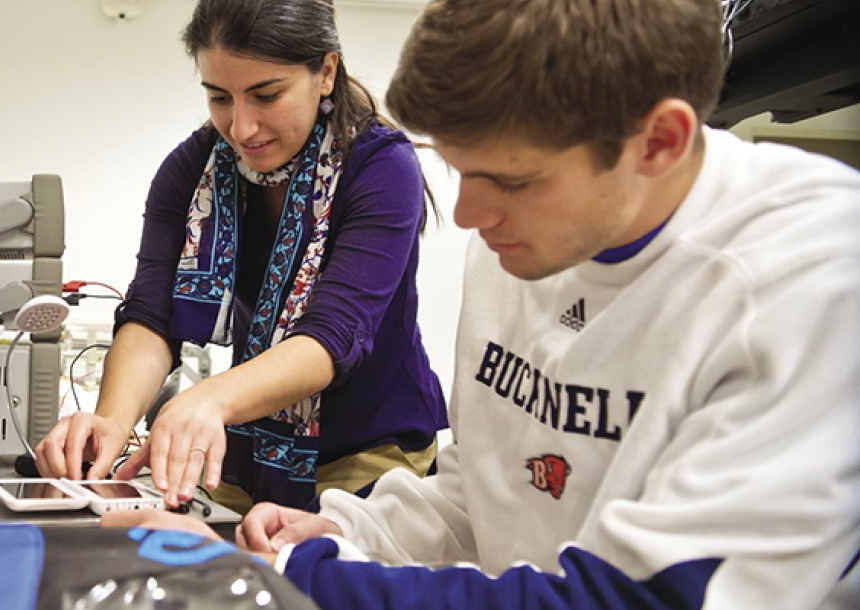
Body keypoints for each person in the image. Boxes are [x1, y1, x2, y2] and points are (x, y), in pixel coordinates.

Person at [105, 0, 860, 608]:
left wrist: (302, 577)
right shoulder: (521, 236)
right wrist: (345, 527)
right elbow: (493, 485)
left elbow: (643, 597)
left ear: (658, 142)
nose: (465, 216)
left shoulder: (809, 273)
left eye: (513, 179)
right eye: (461, 171)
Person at [35, 0, 447, 514]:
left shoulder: (381, 169)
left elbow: (331, 339)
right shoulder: (190, 172)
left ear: (325, 71)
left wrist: (209, 399)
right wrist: (113, 422)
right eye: (219, 97)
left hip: (370, 447)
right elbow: (150, 317)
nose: (242, 127)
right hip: (248, 449)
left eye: (266, 95)